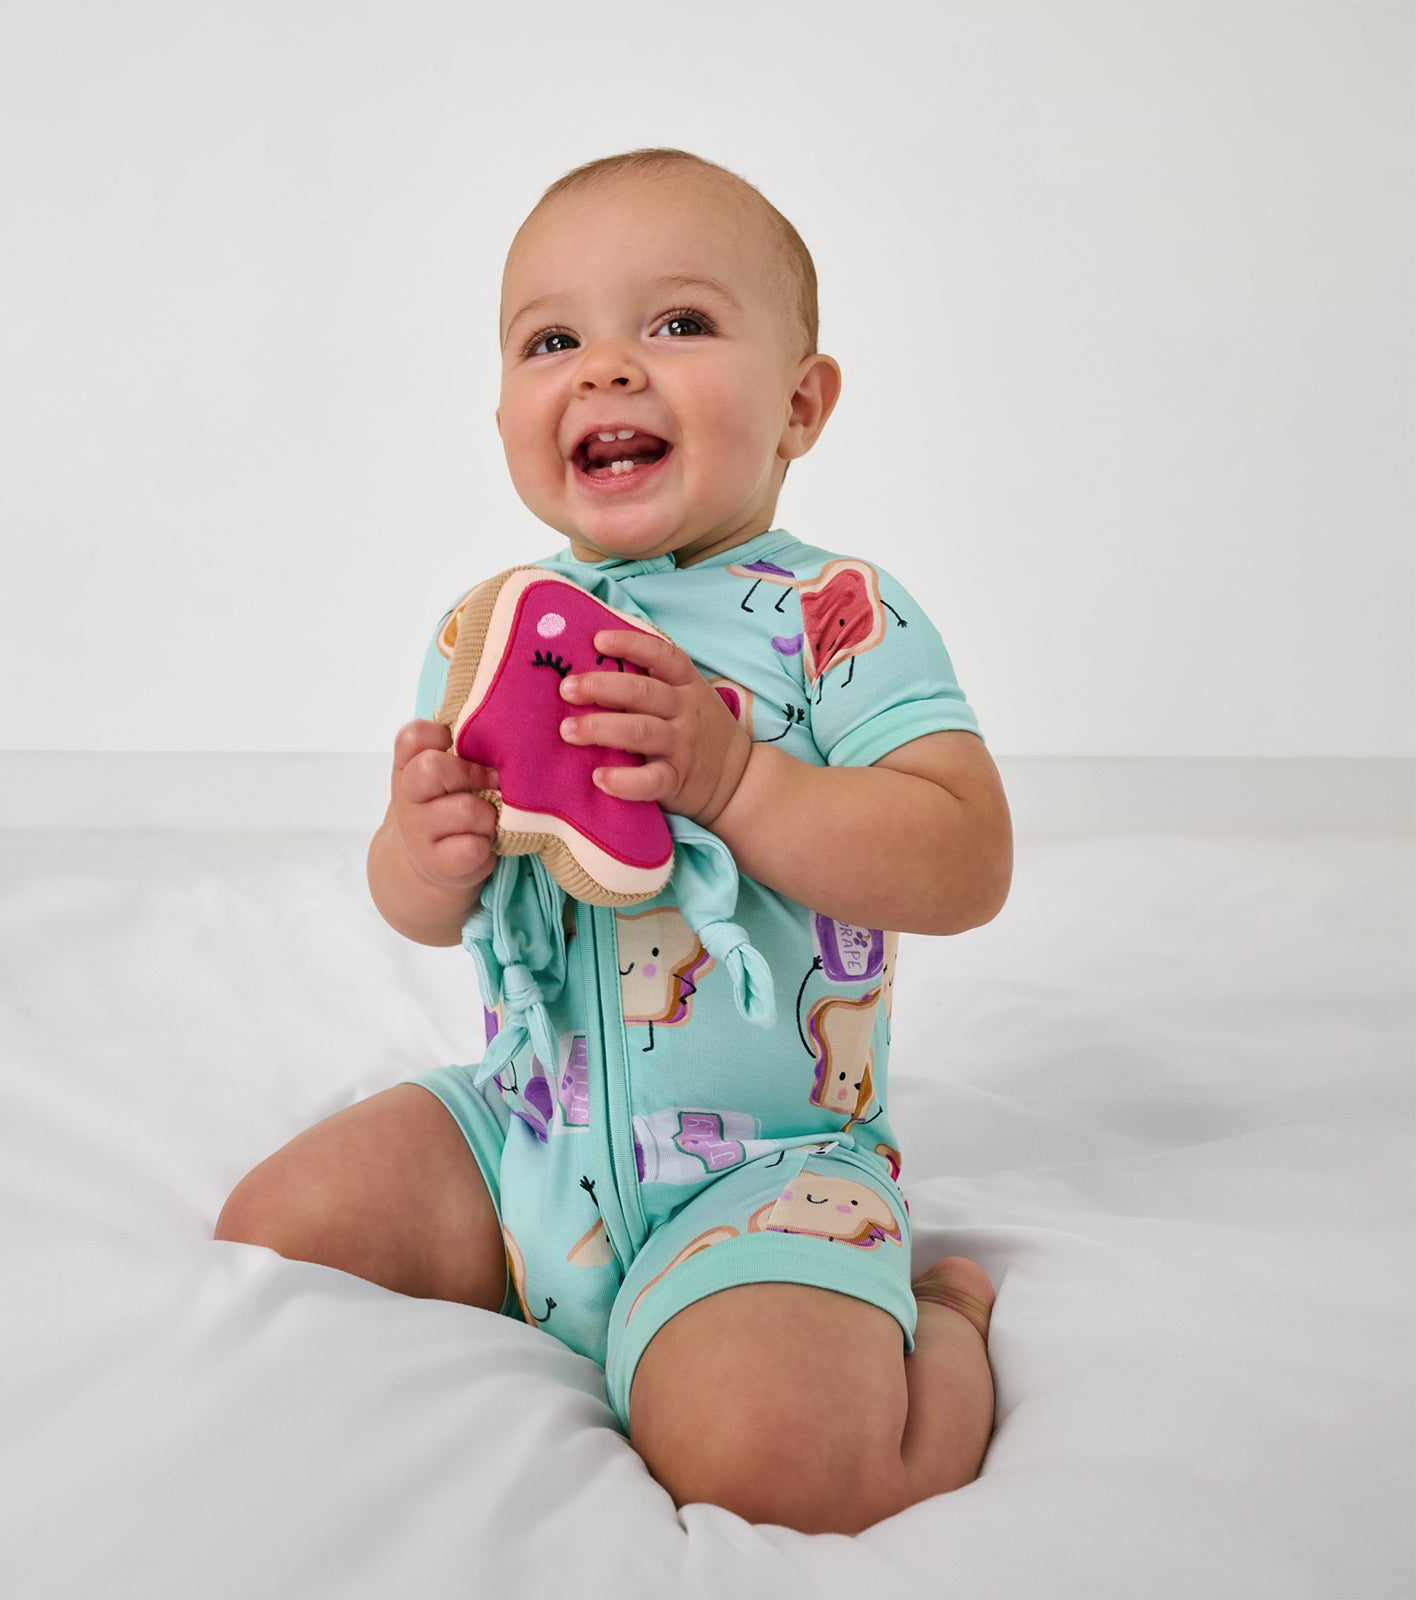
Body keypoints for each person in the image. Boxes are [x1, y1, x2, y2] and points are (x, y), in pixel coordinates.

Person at [216, 148, 1013, 1536]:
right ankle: (550, 1290)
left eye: (679, 323)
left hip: (761, 1174)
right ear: (505, 411)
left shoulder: (836, 617)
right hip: (523, 1135)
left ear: (801, 405)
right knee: (270, 1241)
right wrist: (427, 851)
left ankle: (940, 1318)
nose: (606, 369)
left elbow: (967, 860)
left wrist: (738, 780)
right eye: (551, 341)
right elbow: (421, 912)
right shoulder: (496, 634)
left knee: (778, 1468)